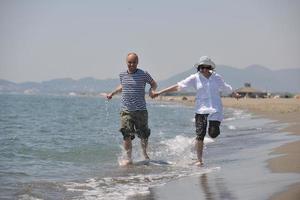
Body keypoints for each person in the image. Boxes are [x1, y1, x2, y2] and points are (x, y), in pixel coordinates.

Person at [153, 56, 240, 166]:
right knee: (200, 135)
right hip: (201, 110)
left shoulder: (216, 77)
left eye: (206, 67)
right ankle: (199, 160)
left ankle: (213, 130)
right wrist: (160, 92)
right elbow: (178, 86)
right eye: (201, 67)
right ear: (199, 68)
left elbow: (226, 87)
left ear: (210, 67)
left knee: (213, 133)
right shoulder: (194, 78)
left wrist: (234, 93)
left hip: (215, 109)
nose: (203, 70)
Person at [106, 52, 157, 166]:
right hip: (126, 110)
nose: (132, 64)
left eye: (134, 62)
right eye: (130, 62)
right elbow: (122, 85)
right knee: (126, 134)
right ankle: (128, 158)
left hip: (141, 110)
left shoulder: (143, 74)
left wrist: (151, 90)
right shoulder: (122, 75)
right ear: (126, 62)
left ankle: (144, 153)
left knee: (143, 135)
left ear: (137, 62)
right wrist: (112, 93)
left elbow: (153, 83)